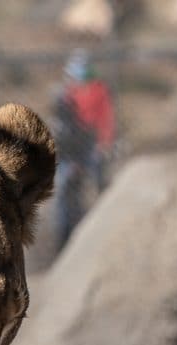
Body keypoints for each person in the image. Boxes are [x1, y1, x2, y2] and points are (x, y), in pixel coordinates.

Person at [51, 50, 116, 250]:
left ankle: (100, 232)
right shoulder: (65, 95)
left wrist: (104, 142)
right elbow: (61, 126)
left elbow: (105, 119)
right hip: (69, 150)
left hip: (89, 147)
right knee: (64, 194)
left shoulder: (98, 91)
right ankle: (63, 241)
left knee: (94, 188)